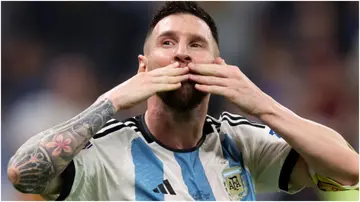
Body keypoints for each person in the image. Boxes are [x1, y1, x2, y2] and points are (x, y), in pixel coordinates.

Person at [7, 2, 358, 201]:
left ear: (217, 67)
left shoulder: (242, 142)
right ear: (142, 67)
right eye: (167, 43)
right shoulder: (104, 152)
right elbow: (22, 173)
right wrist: (111, 100)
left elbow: (350, 169)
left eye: (196, 44)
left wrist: (262, 104)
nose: (181, 54)